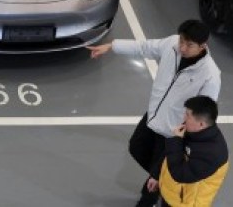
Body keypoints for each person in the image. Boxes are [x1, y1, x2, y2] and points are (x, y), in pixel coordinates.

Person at [87, 20, 221, 207]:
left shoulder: (210, 75)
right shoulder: (171, 45)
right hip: (154, 117)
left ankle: (152, 192)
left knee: (153, 182)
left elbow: (203, 114)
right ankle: (161, 178)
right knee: (136, 147)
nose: (182, 47)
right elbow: (145, 47)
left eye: (189, 45)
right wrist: (112, 46)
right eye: (182, 41)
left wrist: (182, 141)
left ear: (202, 45)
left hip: (173, 133)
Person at [158, 95, 229, 206]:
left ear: (201, 124)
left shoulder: (212, 154)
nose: (184, 118)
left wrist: (175, 140)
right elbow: (169, 156)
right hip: (172, 195)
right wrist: (155, 175)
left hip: (185, 203)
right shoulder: (192, 131)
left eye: (187, 115)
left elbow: (180, 175)